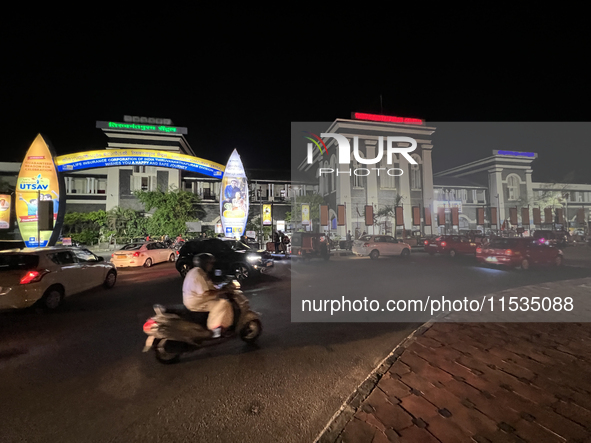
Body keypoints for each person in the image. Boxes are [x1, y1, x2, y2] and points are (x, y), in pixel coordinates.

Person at [182, 253, 233, 338]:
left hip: (194, 299)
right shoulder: (198, 274)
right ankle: (214, 330)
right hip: (197, 302)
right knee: (223, 303)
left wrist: (219, 287)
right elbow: (206, 292)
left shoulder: (195, 271)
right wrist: (223, 290)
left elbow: (207, 286)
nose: (211, 266)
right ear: (204, 264)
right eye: (210, 263)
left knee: (219, 300)